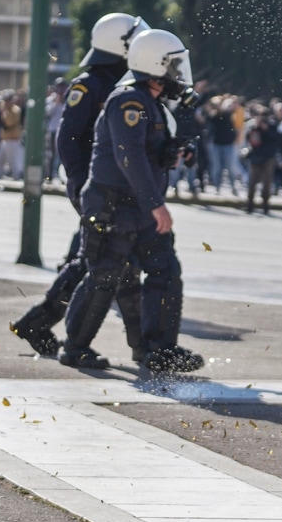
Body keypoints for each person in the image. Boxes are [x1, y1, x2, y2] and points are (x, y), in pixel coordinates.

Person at [58, 28, 204, 373]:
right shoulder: (129, 100)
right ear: (155, 65)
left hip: (137, 209)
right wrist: (156, 203)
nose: (178, 74)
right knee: (104, 277)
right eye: (172, 66)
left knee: (165, 271)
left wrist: (174, 151)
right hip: (115, 206)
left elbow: (146, 151)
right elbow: (129, 157)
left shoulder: (148, 102)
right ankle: (74, 348)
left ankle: (160, 350)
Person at [11, 13, 150, 360]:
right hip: (97, 189)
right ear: (119, 46)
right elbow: (68, 140)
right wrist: (82, 187)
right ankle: (139, 345)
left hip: (112, 190)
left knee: (105, 262)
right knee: (106, 262)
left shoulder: (123, 82)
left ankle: (142, 344)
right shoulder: (90, 84)